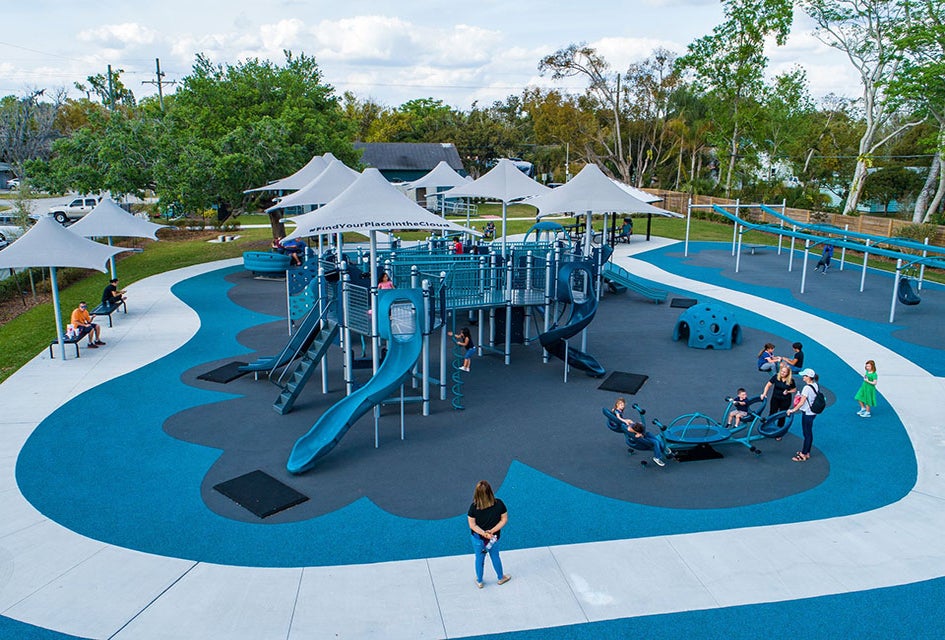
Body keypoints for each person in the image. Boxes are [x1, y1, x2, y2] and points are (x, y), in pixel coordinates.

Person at [467, 480, 511, 588]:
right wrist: (491, 531)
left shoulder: (473, 507)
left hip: (478, 538)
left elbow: (472, 525)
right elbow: (504, 520)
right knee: (495, 556)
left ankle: (480, 581)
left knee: (479, 558)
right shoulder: (499, 504)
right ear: (490, 492)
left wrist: (484, 533)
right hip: (493, 538)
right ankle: (501, 577)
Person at [787, 368, 819, 462]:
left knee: (807, 433)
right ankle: (807, 452)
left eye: (804, 376)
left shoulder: (806, 388)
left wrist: (792, 410)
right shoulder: (815, 385)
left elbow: (801, 402)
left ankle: (803, 454)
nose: (803, 377)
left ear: (809, 377)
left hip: (808, 413)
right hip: (812, 412)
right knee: (808, 433)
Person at [761, 363, 796, 428]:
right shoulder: (776, 377)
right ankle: (769, 426)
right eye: (782, 371)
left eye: (784, 372)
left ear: (788, 373)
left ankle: (779, 430)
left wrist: (788, 391)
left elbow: (794, 390)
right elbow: (768, 385)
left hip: (785, 400)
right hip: (775, 398)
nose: (782, 373)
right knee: (772, 412)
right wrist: (764, 394)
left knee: (782, 415)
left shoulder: (791, 381)